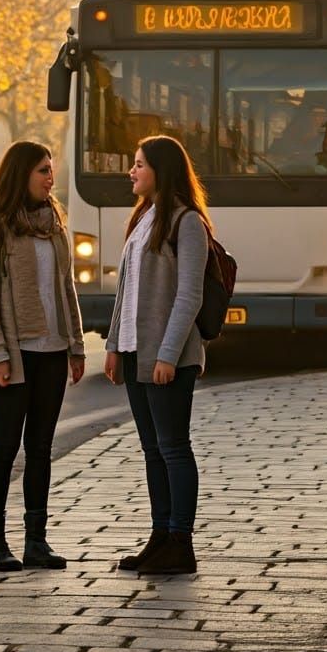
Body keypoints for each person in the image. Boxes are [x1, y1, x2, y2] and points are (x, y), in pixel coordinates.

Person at [0, 141, 85, 572]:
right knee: (4, 447)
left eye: (51, 170)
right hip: (14, 356)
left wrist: (75, 345)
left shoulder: (54, 224)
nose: (50, 177)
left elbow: (66, 288)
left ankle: (36, 541)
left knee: (40, 449)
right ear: (21, 174)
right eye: (42, 170)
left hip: (53, 352)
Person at [103, 134, 210, 575]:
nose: (132, 171)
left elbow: (189, 295)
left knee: (174, 448)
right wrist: (112, 346)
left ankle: (181, 544)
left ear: (161, 171)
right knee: (152, 450)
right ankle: (160, 536)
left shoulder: (187, 222)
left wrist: (168, 353)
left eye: (139, 164)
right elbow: (125, 292)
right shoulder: (143, 218)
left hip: (168, 358)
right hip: (134, 352)